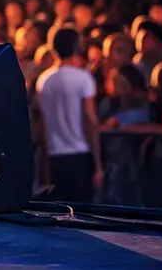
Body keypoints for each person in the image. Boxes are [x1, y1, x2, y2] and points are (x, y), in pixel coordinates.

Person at [36, 28, 103, 202]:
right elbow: (90, 120)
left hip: (55, 156)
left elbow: (43, 123)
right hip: (80, 154)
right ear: (77, 46)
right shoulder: (83, 78)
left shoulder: (44, 80)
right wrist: (98, 164)